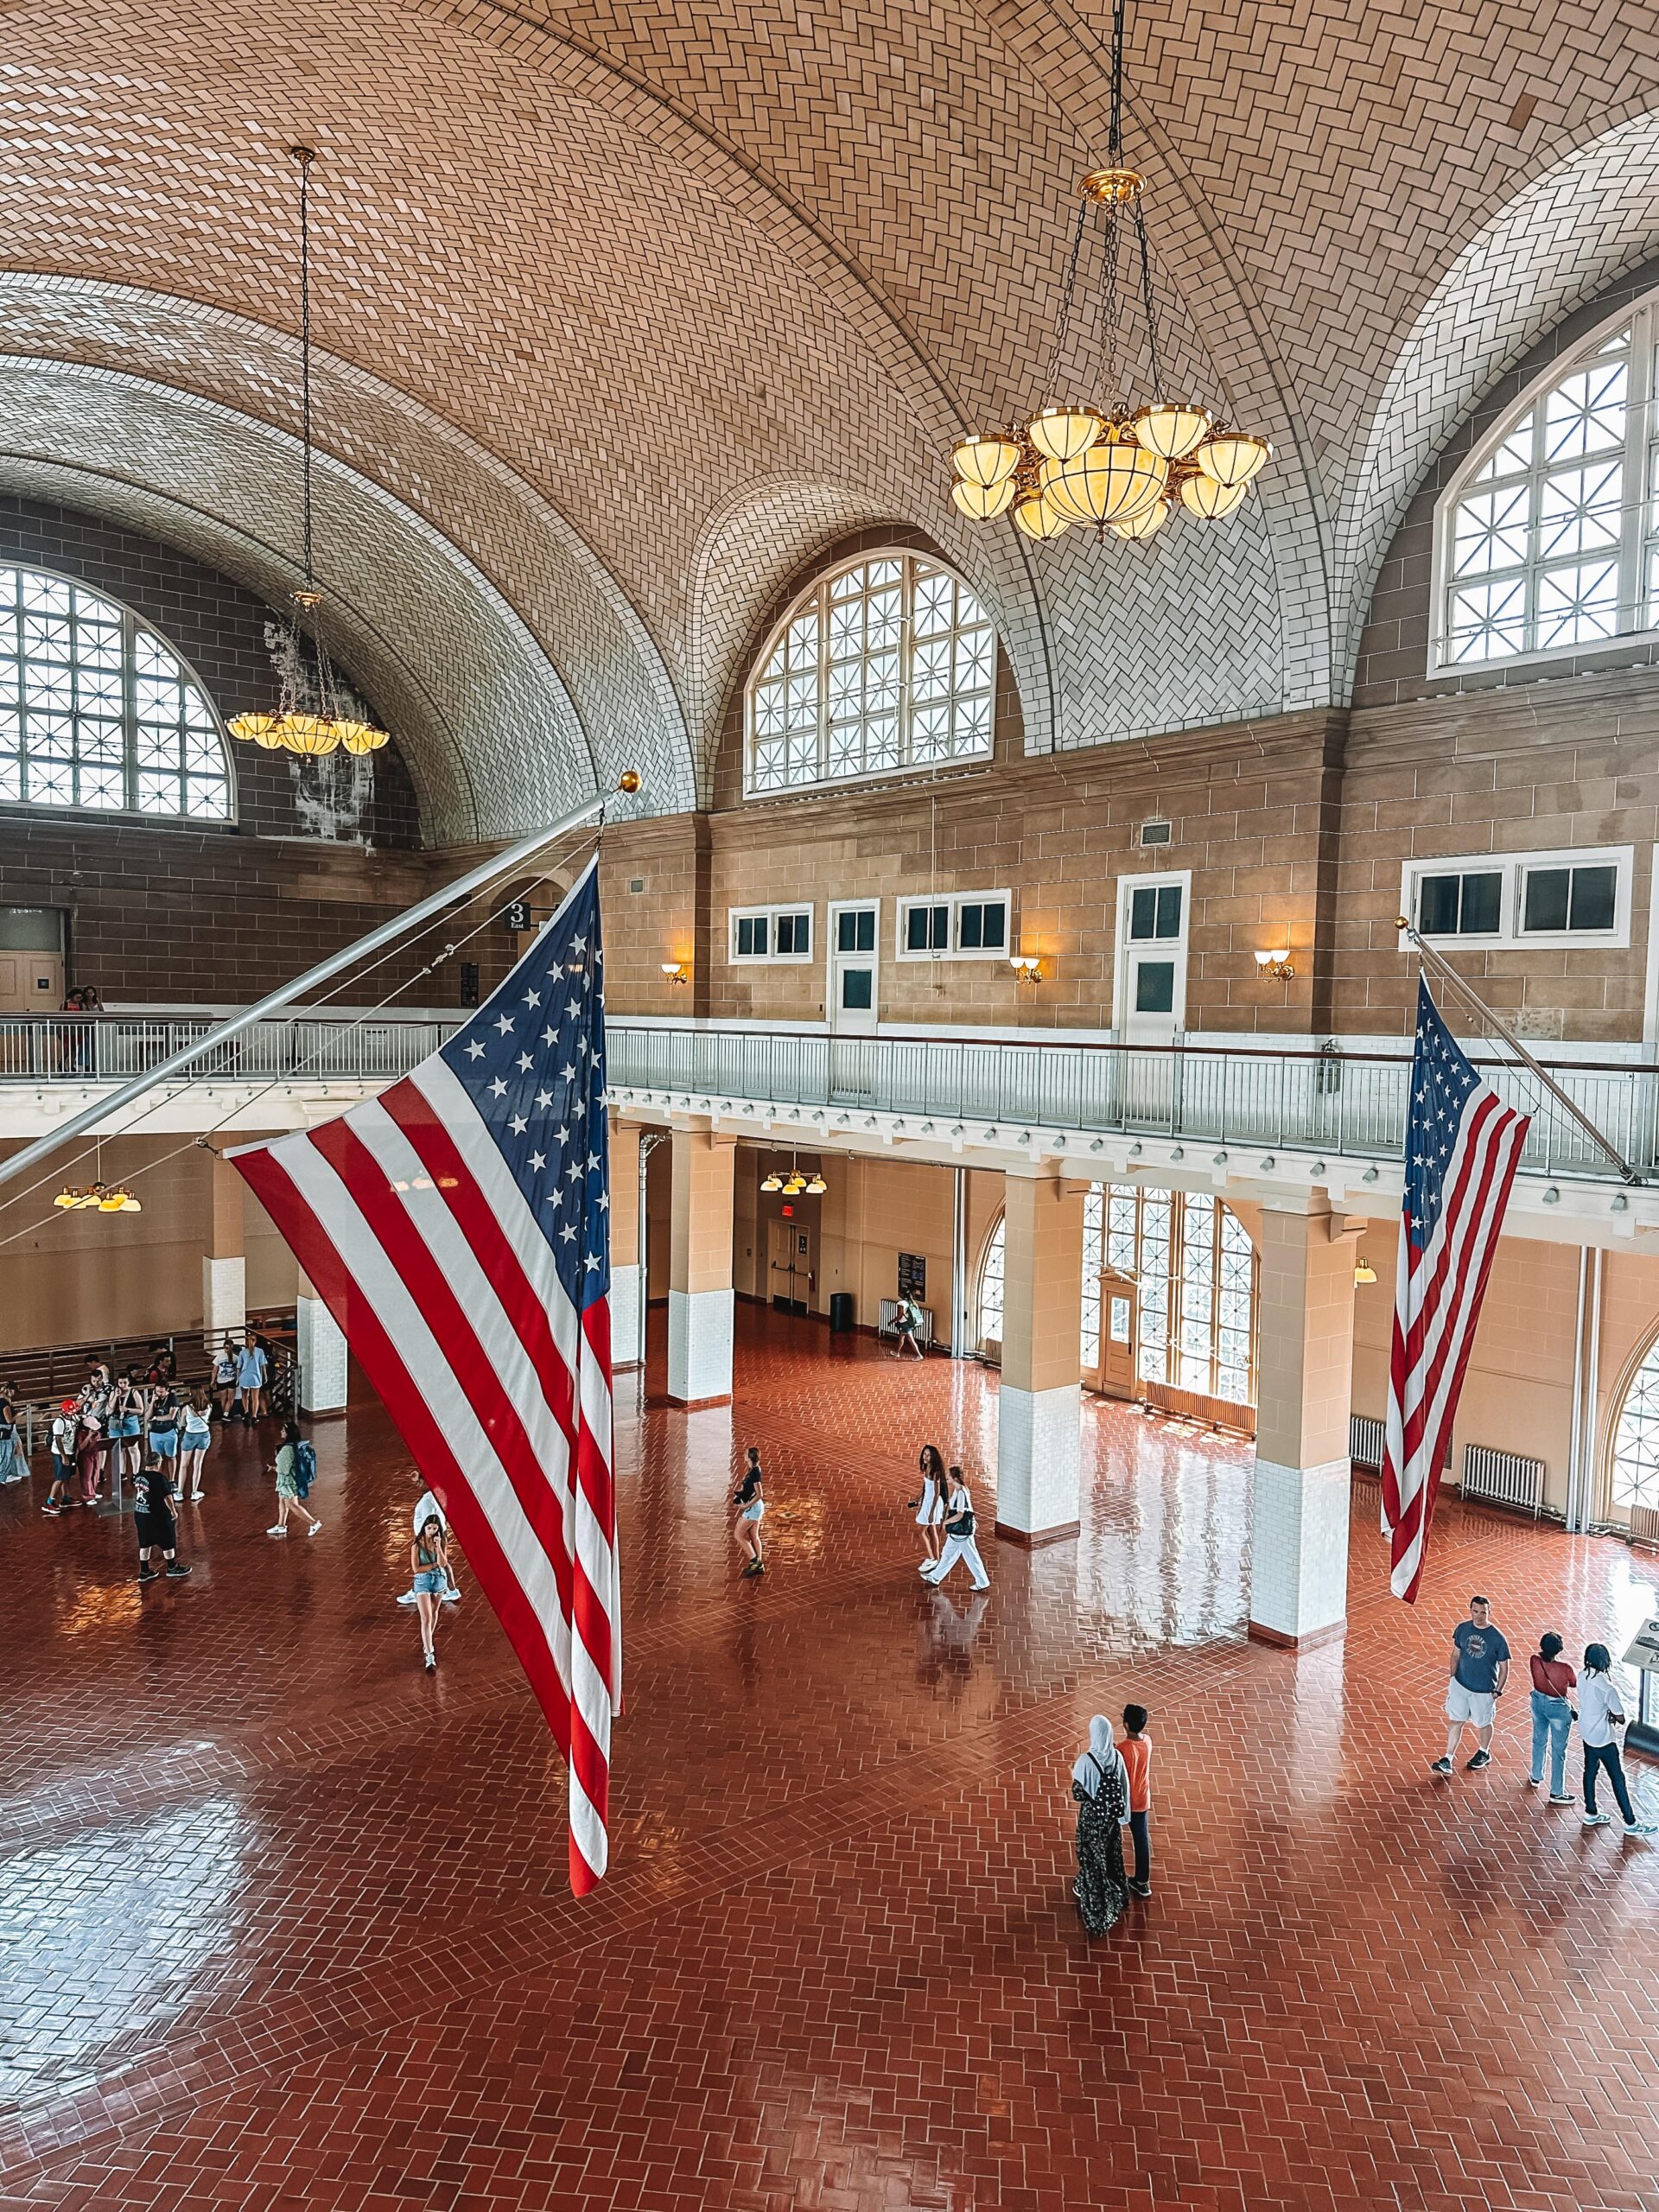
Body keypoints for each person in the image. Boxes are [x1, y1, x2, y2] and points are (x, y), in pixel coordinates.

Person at [1579, 1643, 1656, 1838]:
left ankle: (1591, 1811)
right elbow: (1620, 1717)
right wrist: (1612, 1715)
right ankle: (1630, 1822)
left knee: (1590, 1772)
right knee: (1618, 1779)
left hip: (1587, 1732)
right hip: (1604, 1738)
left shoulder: (1582, 1676)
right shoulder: (1607, 1688)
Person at [1430, 1593, 1510, 1774]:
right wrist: (1453, 1678)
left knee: (1483, 1723)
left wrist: (1497, 1691)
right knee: (1456, 1720)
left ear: (1489, 1612)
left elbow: (1504, 1668)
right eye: (1476, 1611)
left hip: (1484, 1690)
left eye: (1483, 1612)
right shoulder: (1462, 1629)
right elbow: (1456, 1654)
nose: (1479, 1616)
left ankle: (1484, 1752)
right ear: (1470, 1610)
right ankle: (1447, 1758)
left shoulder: (1497, 1638)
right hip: (1461, 1684)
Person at [1071, 1715, 1130, 1936]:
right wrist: (1123, 1818)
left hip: (1092, 1821)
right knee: (1111, 1854)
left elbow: (1077, 1793)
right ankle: (1119, 1894)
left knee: (1091, 1859)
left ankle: (1098, 1913)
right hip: (1111, 1820)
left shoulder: (1086, 1761)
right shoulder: (1116, 1757)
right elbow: (1124, 1787)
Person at [919, 1466, 989, 1591]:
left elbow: (960, 1514)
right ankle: (935, 1577)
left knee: (971, 1557)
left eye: (949, 1475)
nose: (947, 1476)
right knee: (948, 1554)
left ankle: (982, 1581)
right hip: (958, 1533)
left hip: (961, 1532)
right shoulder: (960, 1490)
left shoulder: (961, 1492)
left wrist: (946, 1522)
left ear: (955, 1478)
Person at [1528, 1630, 1578, 1804]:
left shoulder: (1534, 1660)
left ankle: (1536, 1775)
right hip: (1557, 1708)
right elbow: (1573, 1683)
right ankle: (1557, 1791)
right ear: (1559, 1650)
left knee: (1539, 1740)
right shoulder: (1565, 1669)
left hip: (1537, 1702)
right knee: (1558, 1750)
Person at [397, 1488, 461, 1608]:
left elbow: (430, 1522)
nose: (416, 1484)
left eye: (419, 1480)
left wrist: (427, 1538)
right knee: (440, 1562)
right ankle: (452, 1591)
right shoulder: (435, 1495)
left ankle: (418, 1592)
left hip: (428, 1537)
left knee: (428, 1563)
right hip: (434, 1534)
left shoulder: (428, 1501)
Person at [134, 1451, 190, 1583]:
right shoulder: (159, 1478)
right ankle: (172, 1567)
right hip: (157, 1515)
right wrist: (173, 1511)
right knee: (167, 1540)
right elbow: (168, 1497)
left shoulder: (139, 1475)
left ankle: (144, 1570)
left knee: (144, 1543)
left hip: (141, 1514)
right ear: (158, 1463)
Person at [1118, 1705, 1154, 1897]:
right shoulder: (1147, 1741)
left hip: (1127, 1801)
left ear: (1126, 1724)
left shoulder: (1122, 1749)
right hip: (1143, 1798)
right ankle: (1142, 1881)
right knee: (1141, 1840)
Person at [410, 1512, 450, 1673]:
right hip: (423, 1581)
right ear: (424, 1528)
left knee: (434, 1614)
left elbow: (443, 1563)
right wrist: (434, 1565)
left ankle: (427, 1640)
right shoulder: (416, 1545)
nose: (432, 1531)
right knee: (426, 1617)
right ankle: (429, 1654)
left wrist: (439, 1547)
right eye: (429, 1528)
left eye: (435, 1528)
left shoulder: (441, 1542)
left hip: (439, 1580)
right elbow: (416, 1569)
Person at [267, 1421, 321, 1537]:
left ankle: (313, 1523)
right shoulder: (294, 1446)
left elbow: (284, 1469)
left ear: (288, 1433)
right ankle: (281, 1526)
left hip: (287, 1482)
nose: (281, 1432)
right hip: (289, 1481)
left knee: (292, 1505)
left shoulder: (287, 1449)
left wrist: (275, 1468)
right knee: (282, 1502)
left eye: (283, 1430)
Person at [910, 1442, 947, 1566]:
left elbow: (936, 1494)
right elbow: (926, 1485)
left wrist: (932, 1512)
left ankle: (932, 1558)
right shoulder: (927, 1468)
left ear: (933, 1457)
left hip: (933, 1503)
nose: (925, 1457)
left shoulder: (936, 1472)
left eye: (929, 1455)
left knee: (921, 1532)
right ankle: (936, 1559)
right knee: (932, 1532)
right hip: (927, 1500)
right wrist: (919, 1496)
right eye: (924, 1454)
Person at [733, 1446, 766, 1576]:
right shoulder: (753, 1469)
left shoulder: (755, 1472)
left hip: (753, 1508)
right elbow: (750, 1488)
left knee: (738, 1535)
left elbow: (759, 1494)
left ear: (750, 1457)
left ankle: (754, 1561)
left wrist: (746, 1505)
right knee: (753, 1536)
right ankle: (759, 1565)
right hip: (756, 1507)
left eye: (745, 1454)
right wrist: (741, 1493)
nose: (743, 1455)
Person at [43, 1398, 79, 1515]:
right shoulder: (59, 1422)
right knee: (59, 1478)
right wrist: (63, 1456)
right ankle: (49, 1502)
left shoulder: (73, 1418)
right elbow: (58, 1440)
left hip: (70, 1451)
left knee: (67, 1476)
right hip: (60, 1453)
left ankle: (65, 1498)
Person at [179, 1389, 213, 1501]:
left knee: (184, 1465)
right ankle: (194, 1491)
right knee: (197, 1464)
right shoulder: (209, 1406)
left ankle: (180, 1492)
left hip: (190, 1435)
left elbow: (181, 1423)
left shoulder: (187, 1408)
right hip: (204, 1435)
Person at [145, 1380, 181, 1476]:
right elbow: (147, 1417)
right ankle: (158, 1477)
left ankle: (172, 1479)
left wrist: (156, 1418)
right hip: (155, 1432)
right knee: (157, 1458)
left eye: (161, 1392)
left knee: (171, 1456)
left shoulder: (172, 1399)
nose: (159, 1394)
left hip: (169, 1431)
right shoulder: (154, 1399)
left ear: (167, 1390)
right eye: (157, 1391)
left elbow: (171, 1416)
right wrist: (152, 1402)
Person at [236, 1331, 270, 1422]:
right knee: (255, 1398)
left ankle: (246, 1412)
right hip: (256, 1377)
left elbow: (239, 1367)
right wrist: (265, 1377)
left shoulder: (242, 1352)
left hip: (244, 1376)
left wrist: (237, 1378)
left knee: (244, 1396)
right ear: (255, 1341)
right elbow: (263, 1365)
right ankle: (255, 1416)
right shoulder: (260, 1351)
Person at [212, 1336, 238, 1421]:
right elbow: (238, 1370)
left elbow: (214, 1370)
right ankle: (226, 1414)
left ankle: (224, 1414)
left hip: (221, 1380)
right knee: (230, 1399)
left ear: (224, 1347)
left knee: (223, 1399)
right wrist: (237, 1379)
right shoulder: (236, 1358)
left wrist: (212, 1381)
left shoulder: (219, 1356)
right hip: (232, 1380)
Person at [892, 1293, 925, 1360]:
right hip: (909, 1323)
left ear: (902, 1295)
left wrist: (892, 1321)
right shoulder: (912, 1302)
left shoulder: (901, 1303)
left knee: (911, 1340)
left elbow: (900, 1315)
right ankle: (897, 1352)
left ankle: (919, 1355)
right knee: (901, 1338)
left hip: (904, 1324)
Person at [0, 1390, 22, 1486]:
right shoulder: (4, 1404)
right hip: (5, 1431)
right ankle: (4, 1476)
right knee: (6, 1453)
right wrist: (18, 1415)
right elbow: (9, 1420)